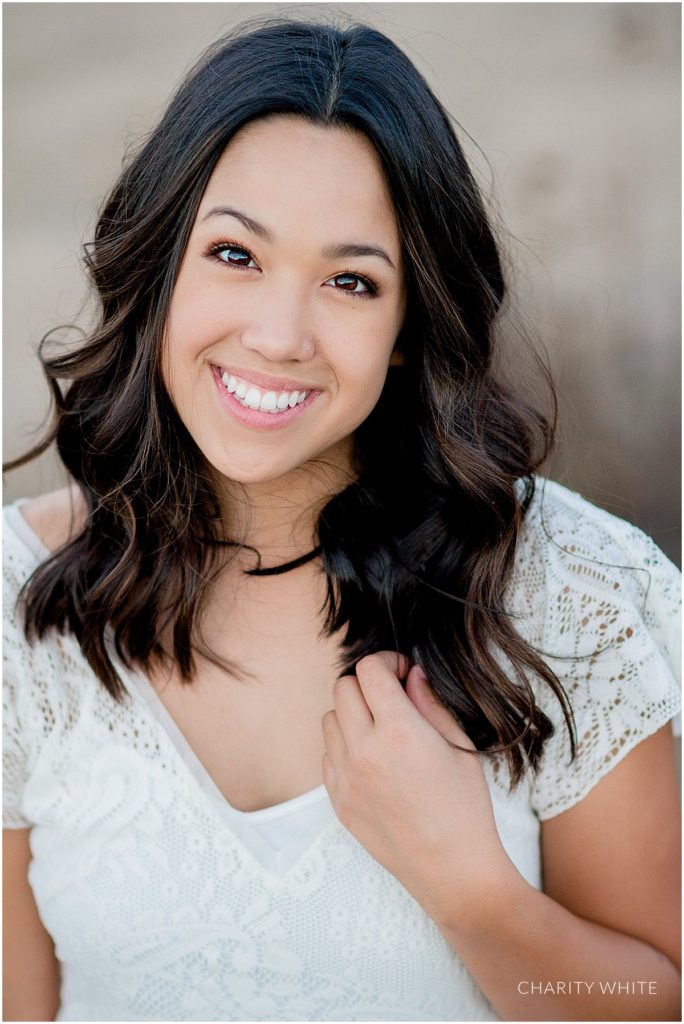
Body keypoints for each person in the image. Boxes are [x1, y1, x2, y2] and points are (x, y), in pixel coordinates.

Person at [3, 17, 680, 1023]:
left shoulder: (564, 590)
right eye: (234, 254)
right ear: (159, 268)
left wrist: (470, 888)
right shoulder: (18, 609)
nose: (278, 335)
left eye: (352, 281)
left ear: (409, 330)